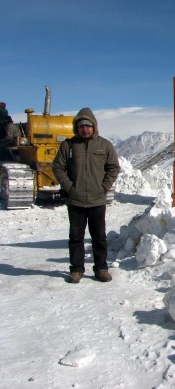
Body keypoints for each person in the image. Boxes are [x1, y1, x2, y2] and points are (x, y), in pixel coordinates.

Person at [53, 108, 120, 284]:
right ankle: (76, 270)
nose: (85, 129)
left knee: (99, 237)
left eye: (88, 126)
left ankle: (101, 269)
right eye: (82, 126)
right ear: (77, 127)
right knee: (76, 237)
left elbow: (113, 168)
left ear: (94, 127)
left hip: (97, 200)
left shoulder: (104, 145)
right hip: (75, 200)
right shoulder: (68, 145)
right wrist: (69, 187)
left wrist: (103, 187)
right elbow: (58, 167)